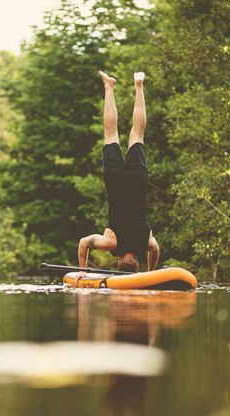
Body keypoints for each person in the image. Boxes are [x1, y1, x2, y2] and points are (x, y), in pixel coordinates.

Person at [78, 71, 160, 273]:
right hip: (115, 180)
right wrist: (82, 270)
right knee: (111, 133)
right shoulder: (110, 243)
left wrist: (150, 271)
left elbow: (155, 250)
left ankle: (139, 85)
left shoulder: (146, 243)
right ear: (118, 263)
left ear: (137, 264)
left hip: (137, 180)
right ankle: (109, 86)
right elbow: (83, 244)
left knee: (137, 134)